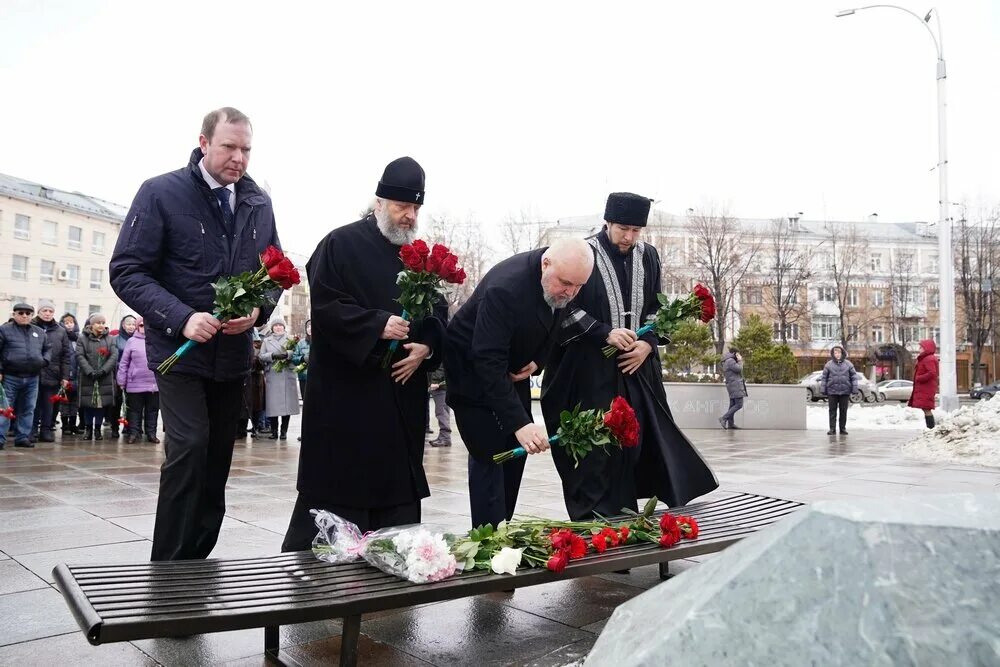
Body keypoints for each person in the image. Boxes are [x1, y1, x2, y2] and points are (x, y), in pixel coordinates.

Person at [109, 107, 282, 561]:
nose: (239, 158)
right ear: (204, 143)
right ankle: (166, 568)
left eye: (246, 149)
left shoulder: (257, 203)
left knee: (218, 457)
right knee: (188, 447)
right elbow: (127, 271)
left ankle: (196, 565)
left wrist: (258, 310)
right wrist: (182, 316)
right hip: (179, 353)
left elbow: (274, 273)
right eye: (229, 146)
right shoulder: (161, 193)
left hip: (232, 358)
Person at [282, 157, 447, 550]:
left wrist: (427, 346)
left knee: (395, 489)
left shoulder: (417, 257)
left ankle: (392, 555)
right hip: (349, 399)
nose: (409, 217)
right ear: (378, 203)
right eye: (401, 207)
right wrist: (376, 324)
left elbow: (439, 310)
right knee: (341, 485)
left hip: (399, 397)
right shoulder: (339, 243)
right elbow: (325, 307)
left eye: (415, 209)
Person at [540, 194, 718, 521]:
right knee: (596, 451)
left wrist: (647, 343)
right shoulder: (582, 254)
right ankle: (595, 529)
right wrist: (603, 332)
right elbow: (562, 305)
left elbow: (655, 307)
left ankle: (628, 525)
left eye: (636, 230)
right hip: (590, 374)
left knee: (637, 446)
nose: (629, 237)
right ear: (607, 221)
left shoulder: (648, 255)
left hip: (638, 370)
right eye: (623, 228)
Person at [445, 238, 594, 529]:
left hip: (511, 370)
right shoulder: (506, 288)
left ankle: (504, 529)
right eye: (566, 283)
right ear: (546, 264)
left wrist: (539, 360)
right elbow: (486, 360)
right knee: (489, 454)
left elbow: (555, 323)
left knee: (515, 456)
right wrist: (519, 422)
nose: (571, 292)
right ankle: (487, 540)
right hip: (472, 373)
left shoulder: (562, 280)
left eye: (578, 286)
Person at [0, 303, 51, 449]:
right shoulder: (4, 330)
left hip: (32, 377)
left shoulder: (39, 332)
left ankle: (23, 437)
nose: (24, 316)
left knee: (28, 408)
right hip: (10, 376)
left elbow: (48, 348)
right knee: (5, 408)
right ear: (14, 314)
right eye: (21, 313)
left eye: (28, 313)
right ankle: (0, 438)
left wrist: (44, 361)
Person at [31, 300, 71, 443]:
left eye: (50, 311)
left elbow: (66, 355)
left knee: (49, 405)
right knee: (32, 404)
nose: (47, 314)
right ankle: (32, 430)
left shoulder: (60, 331)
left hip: (53, 373)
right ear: (39, 312)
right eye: (44, 311)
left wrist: (65, 376)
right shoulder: (30, 327)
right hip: (33, 373)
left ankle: (46, 430)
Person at [117, 317, 160, 444]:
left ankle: (151, 434)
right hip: (135, 384)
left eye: (147, 325)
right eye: (141, 325)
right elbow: (124, 363)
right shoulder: (131, 341)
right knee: (134, 411)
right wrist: (121, 381)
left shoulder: (156, 341)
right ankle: (133, 433)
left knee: (152, 411)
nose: (144, 327)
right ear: (137, 326)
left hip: (153, 384)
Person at [76, 313, 117, 440]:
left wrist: (103, 370)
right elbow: (80, 356)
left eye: (103, 323)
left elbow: (114, 355)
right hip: (88, 376)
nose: (101, 325)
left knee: (100, 404)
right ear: (91, 325)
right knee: (89, 404)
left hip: (104, 376)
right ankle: (88, 429)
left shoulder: (110, 339)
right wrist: (89, 371)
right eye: (98, 323)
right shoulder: (82, 338)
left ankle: (98, 429)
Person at [260, 320, 299, 439]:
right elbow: (261, 356)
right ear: (272, 328)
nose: (278, 328)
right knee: (273, 405)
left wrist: (288, 354)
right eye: (275, 326)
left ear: (284, 327)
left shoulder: (290, 339)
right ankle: (274, 431)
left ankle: (284, 431)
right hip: (273, 374)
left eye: (280, 325)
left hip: (287, 374)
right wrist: (272, 356)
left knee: (288, 405)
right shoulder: (267, 341)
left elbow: (297, 353)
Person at [107, 315, 137, 439]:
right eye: (128, 324)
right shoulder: (115, 339)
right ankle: (114, 427)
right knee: (117, 403)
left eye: (133, 324)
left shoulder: (139, 339)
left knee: (131, 404)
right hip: (118, 375)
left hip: (134, 377)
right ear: (123, 325)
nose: (131, 327)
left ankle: (129, 427)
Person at [820, 345, 858, 436]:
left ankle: (842, 429)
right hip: (832, 391)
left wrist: (854, 388)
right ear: (833, 354)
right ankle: (832, 429)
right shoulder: (828, 365)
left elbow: (854, 377)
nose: (837, 354)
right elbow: (824, 378)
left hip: (845, 391)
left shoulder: (848, 364)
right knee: (832, 411)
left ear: (842, 353)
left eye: (839, 353)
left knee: (843, 411)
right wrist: (823, 389)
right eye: (835, 353)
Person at [909, 339, 939, 429]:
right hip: (925, 387)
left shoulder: (929, 359)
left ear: (927, 348)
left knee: (926, 408)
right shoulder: (926, 358)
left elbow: (932, 373)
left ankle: (931, 428)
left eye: (921, 347)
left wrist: (919, 378)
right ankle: (930, 428)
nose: (919, 349)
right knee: (925, 408)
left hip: (926, 388)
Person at [60, 313, 81, 435]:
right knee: (64, 401)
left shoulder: (79, 338)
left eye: (71, 322)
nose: (69, 325)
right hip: (66, 374)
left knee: (74, 402)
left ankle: (73, 424)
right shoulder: (61, 337)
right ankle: (65, 425)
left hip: (78, 374)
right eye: (66, 323)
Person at [291, 320, 310, 442]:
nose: (310, 328)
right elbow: (294, 358)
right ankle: (305, 432)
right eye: (308, 326)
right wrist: (303, 358)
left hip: (318, 377)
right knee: (307, 406)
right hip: (304, 376)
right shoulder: (302, 343)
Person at [720, 348, 747, 430]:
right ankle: (723, 418)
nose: (739, 355)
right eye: (738, 354)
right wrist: (740, 361)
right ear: (735, 353)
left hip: (732, 385)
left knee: (732, 405)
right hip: (735, 385)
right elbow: (739, 369)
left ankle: (730, 424)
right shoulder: (731, 361)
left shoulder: (727, 360)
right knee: (739, 404)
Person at [427, 366, 451, 447]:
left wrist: (435, 381)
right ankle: (442, 437)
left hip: (440, 386)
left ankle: (445, 438)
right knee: (441, 412)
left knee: (442, 412)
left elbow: (440, 366)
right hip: (439, 386)